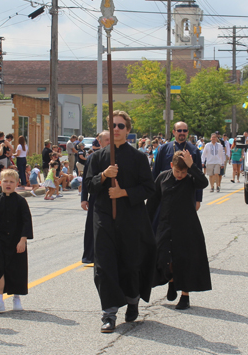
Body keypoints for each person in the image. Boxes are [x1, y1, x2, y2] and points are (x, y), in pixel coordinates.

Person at [85, 110, 156, 333]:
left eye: (121, 126)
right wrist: (104, 176)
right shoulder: (97, 157)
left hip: (130, 218)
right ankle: (109, 313)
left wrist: (124, 192)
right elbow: (89, 185)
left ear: (128, 130)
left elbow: (148, 188)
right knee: (104, 266)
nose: (116, 129)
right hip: (104, 217)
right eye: (113, 125)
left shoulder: (138, 157)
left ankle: (132, 299)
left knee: (130, 262)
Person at [147, 150, 211, 310]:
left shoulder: (191, 179)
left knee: (184, 260)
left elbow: (203, 183)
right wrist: (145, 222)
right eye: (177, 171)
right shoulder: (163, 178)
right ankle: (171, 280)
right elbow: (153, 201)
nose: (180, 175)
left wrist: (192, 166)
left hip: (186, 226)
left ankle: (185, 295)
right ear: (171, 166)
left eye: (183, 172)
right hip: (165, 224)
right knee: (163, 257)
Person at [0, 169, 33, 313]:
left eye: (11, 182)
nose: (8, 184)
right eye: (5, 181)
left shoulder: (21, 202)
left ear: (16, 184)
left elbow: (26, 222)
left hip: (17, 241)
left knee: (17, 268)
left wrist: (23, 240)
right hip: (1, 241)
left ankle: (16, 298)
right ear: (0, 183)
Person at [152, 121, 203, 215]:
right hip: (166, 192)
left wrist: (198, 199)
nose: (182, 132)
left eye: (184, 130)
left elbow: (199, 175)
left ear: (187, 132)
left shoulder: (194, 150)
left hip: (187, 193)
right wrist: (152, 195)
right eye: (179, 130)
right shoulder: (164, 148)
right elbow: (155, 172)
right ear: (174, 132)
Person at [81, 130, 110, 264]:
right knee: (92, 226)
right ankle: (89, 256)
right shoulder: (93, 158)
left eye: (111, 140)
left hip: (113, 196)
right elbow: (86, 179)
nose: (109, 142)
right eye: (106, 140)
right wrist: (84, 198)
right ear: (100, 142)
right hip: (96, 196)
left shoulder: (117, 156)